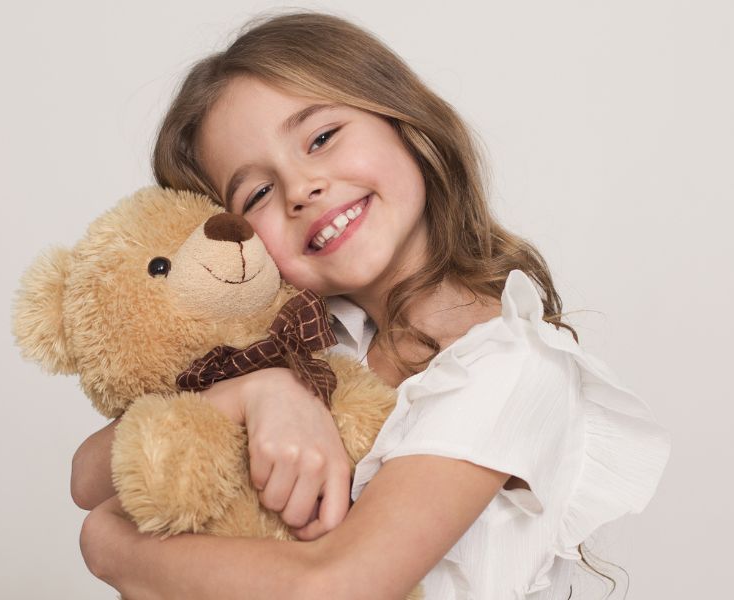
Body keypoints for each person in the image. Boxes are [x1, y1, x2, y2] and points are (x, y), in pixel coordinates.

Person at [70, 11, 670, 599]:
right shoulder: (319, 345)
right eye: (257, 193)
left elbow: (337, 584)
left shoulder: (508, 365)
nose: (302, 189)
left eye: (322, 138)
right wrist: (257, 393)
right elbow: (87, 475)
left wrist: (107, 545)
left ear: (403, 121)